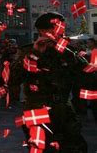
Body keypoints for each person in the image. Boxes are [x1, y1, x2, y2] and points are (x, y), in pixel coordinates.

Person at [9, 12, 90, 152]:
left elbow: (87, 75)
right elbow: (13, 79)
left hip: (63, 110)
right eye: (56, 27)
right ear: (42, 31)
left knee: (75, 148)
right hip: (37, 109)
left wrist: (68, 52)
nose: (61, 31)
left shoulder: (68, 51)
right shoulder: (27, 51)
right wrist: (35, 54)